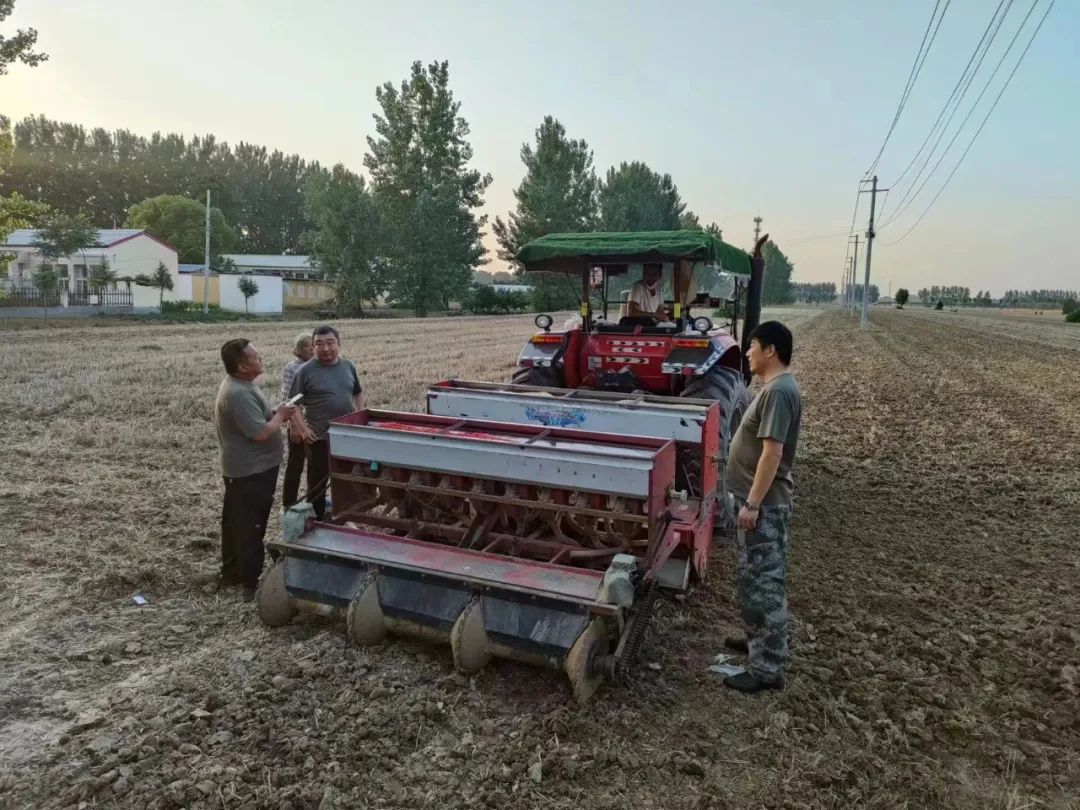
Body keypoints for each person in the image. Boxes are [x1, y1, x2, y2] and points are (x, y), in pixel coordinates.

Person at [721, 321, 802, 693]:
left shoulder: (779, 392)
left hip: (764, 508)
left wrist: (752, 503)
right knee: (752, 579)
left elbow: (772, 453)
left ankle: (767, 670)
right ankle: (757, 642)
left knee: (765, 585)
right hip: (758, 505)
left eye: (752, 346)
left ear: (771, 350)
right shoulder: (775, 389)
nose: (748, 352)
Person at [214, 339, 296, 601]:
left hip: (250, 469)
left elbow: (259, 420)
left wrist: (274, 412)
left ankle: (232, 575)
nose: (261, 359)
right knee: (251, 526)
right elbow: (260, 433)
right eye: (255, 357)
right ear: (242, 366)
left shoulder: (244, 386)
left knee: (236, 522)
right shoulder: (237, 393)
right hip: (251, 472)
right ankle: (248, 584)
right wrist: (281, 415)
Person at [289, 325, 363, 519]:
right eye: (319, 344)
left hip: (345, 435)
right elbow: (293, 405)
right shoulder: (305, 372)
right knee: (317, 482)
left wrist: (360, 415)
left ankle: (346, 516)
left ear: (338, 344)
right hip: (319, 438)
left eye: (330, 343)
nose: (325, 348)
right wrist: (303, 430)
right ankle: (317, 518)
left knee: (346, 478)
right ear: (313, 347)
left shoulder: (348, 366)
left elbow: (357, 392)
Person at [281, 333, 314, 509]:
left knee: (315, 469)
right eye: (308, 346)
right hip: (298, 425)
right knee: (295, 466)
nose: (312, 349)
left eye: (313, 345)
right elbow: (289, 400)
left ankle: (312, 504)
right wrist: (294, 426)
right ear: (299, 350)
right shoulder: (292, 368)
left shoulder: (317, 367)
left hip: (315, 426)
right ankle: (288, 505)